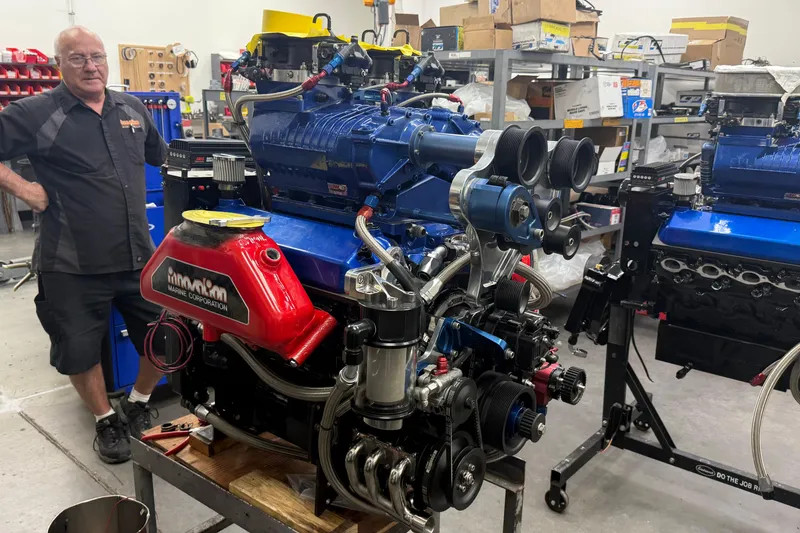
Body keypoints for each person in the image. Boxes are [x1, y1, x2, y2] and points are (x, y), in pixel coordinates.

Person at [0, 26, 167, 464]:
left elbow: (161, 156)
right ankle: (105, 420)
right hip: (70, 263)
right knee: (78, 348)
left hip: (137, 256)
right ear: (60, 64)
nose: (91, 66)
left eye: (97, 56)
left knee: (167, 337)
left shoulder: (130, 107)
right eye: (77, 58)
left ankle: (137, 403)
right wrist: (25, 189)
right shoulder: (35, 112)